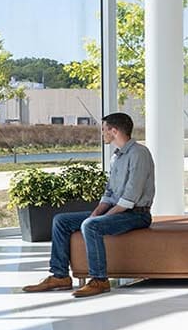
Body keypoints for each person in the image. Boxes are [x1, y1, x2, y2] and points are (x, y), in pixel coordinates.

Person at [22, 112, 155, 299]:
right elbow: (109, 194)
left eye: (104, 130)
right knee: (61, 221)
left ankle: (100, 280)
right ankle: (60, 276)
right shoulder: (116, 157)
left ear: (114, 130)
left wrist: (100, 219)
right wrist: (96, 213)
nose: (102, 134)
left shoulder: (139, 154)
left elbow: (130, 198)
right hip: (118, 211)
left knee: (90, 225)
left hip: (136, 215)